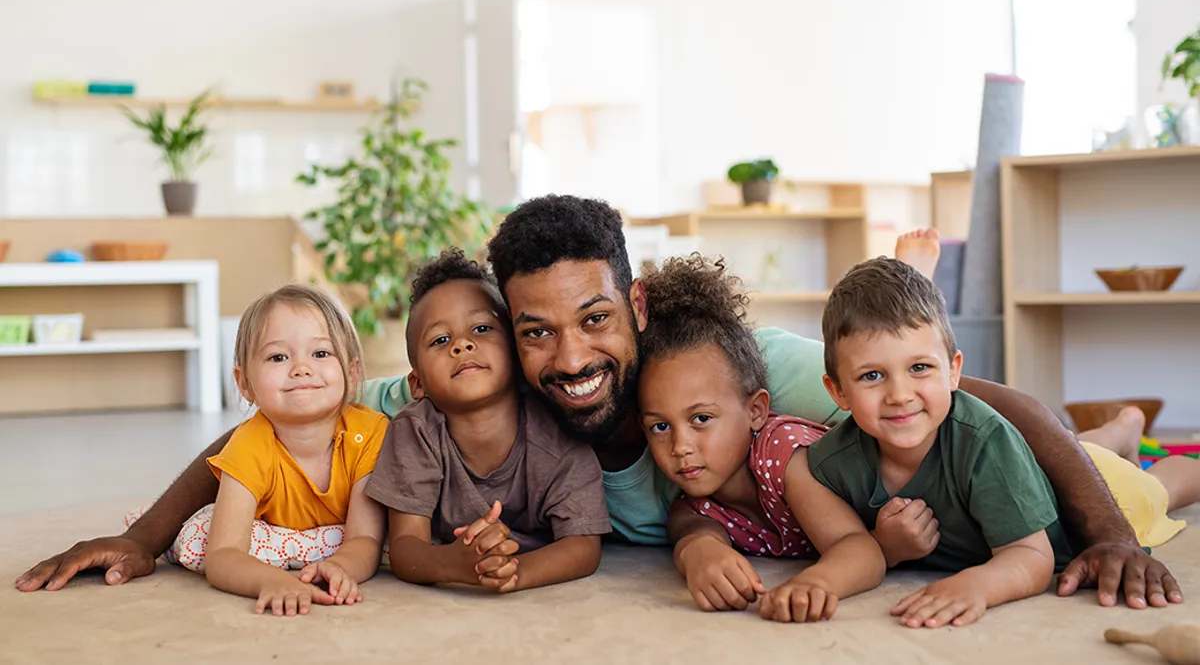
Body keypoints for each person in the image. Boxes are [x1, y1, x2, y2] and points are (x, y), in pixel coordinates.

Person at [15, 196, 1182, 611]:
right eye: (533, 331)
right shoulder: (463, 394)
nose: (567, 355)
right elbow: (276, 422)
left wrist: (1109, 535)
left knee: (1116, 460)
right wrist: (139, 529)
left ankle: (1143, 445)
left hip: (973, 484)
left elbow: (1006, 405)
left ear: (631, 301)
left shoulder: (734, 373)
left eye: (591, 319)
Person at [808, 257, 1197, 629]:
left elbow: (1032, 557)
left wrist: (978, 585)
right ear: (838, 391)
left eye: (920, 368)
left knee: (1155, 487)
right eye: (872, 376)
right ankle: (1125, 428)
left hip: (1098, 495)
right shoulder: (832, 461)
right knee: (1085, 447)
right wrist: (884, 546)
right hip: (1034, 462)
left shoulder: (984, 439)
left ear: (954, 371)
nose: (899, 395)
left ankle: (1143, 439)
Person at [637, 253, 885, 622]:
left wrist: (815, 582)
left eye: (701, 418)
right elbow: (692, 530)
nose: (680, 447)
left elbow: (860, 549)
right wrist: (699, 554)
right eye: (660, 426)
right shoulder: (696, 502)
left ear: (756, 411)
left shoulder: (781, 454)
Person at [365, 249, 610, 593]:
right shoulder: (415, 431)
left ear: (517, 349)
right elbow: (406, 548)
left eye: (481, 328)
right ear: (417, 383)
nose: (462, 345)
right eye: (440, 340)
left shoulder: (557, 429)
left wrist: (511, 572)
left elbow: (583, 546)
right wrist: (455, 564)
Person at [188, 285, 388, 617]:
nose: (301, 368)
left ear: (353, 374)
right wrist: (272, 581)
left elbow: (365, 539)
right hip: (271, 535)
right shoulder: (249, 444)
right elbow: (222, 554)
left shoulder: (370, 433)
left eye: (321, 354)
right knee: (197, 538)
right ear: (244, 384)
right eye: (278, 357)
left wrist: (339, 568)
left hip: (343, 539)